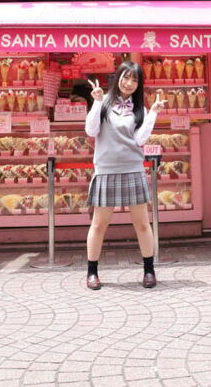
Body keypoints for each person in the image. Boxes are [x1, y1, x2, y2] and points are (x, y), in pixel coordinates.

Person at [84, 61, 164, 290]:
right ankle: (92, 273)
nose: (129, 83)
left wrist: (154, 113)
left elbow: (140, 140)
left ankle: (149, 270)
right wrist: (97, 102)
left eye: (134, 80)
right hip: (106, 170)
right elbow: (91, 130)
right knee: (99, 224)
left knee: (142, 224)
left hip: (133, 169)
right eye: (125, 77)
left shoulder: (140, 110)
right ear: (118, 77)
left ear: (139, 85)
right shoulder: (104, 103)